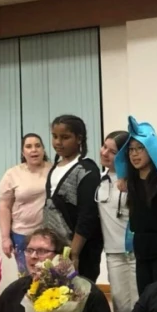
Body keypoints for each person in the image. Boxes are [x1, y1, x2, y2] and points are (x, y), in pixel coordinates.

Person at [117, 120, 157, 295]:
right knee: (144, 297)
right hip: (140, 248)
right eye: (131, 149)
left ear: (152, 149)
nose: (134, 154)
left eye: (140, 148)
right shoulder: (131, 181)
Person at [43, 115, 103, 282]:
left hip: (80, 249)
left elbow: (88, 214)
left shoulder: (86, 169)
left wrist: (74, 252)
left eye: (65, 137)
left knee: (78, 291)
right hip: (56, 246)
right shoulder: (55, 167)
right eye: (55, 136)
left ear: (79, 138)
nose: (58, 142)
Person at [95, 130, 137, 312]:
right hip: (113, 253)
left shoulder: (134, 181)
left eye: (112, 152)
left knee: (138, 303)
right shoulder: (99, 179)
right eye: (104, 147)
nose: (104, 153)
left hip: (136, 252)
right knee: (120, 305)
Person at [0, 133, 52, 275]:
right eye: (28, 146)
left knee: (50, 277)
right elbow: (4, 207)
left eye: (37, 146)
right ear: (23, 152)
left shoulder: (54, 170)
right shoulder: (12, 174)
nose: (34, 150)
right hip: (22, 235)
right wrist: (5, 238)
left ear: (43, 149)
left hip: (48, 234)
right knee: (26, 277)